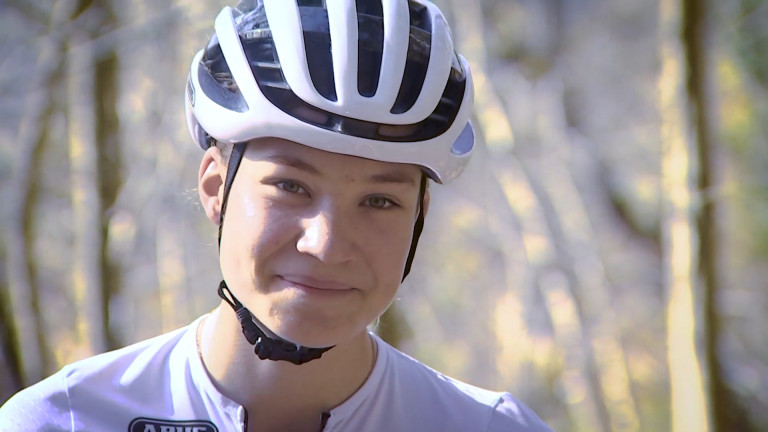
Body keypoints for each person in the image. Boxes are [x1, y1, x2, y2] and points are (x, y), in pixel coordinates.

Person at [0, 0, 552, 430]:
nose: (328, 244)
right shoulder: (61, 421)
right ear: (216, 187)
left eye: (380, 201)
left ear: (418, 217)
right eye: (290, 186)